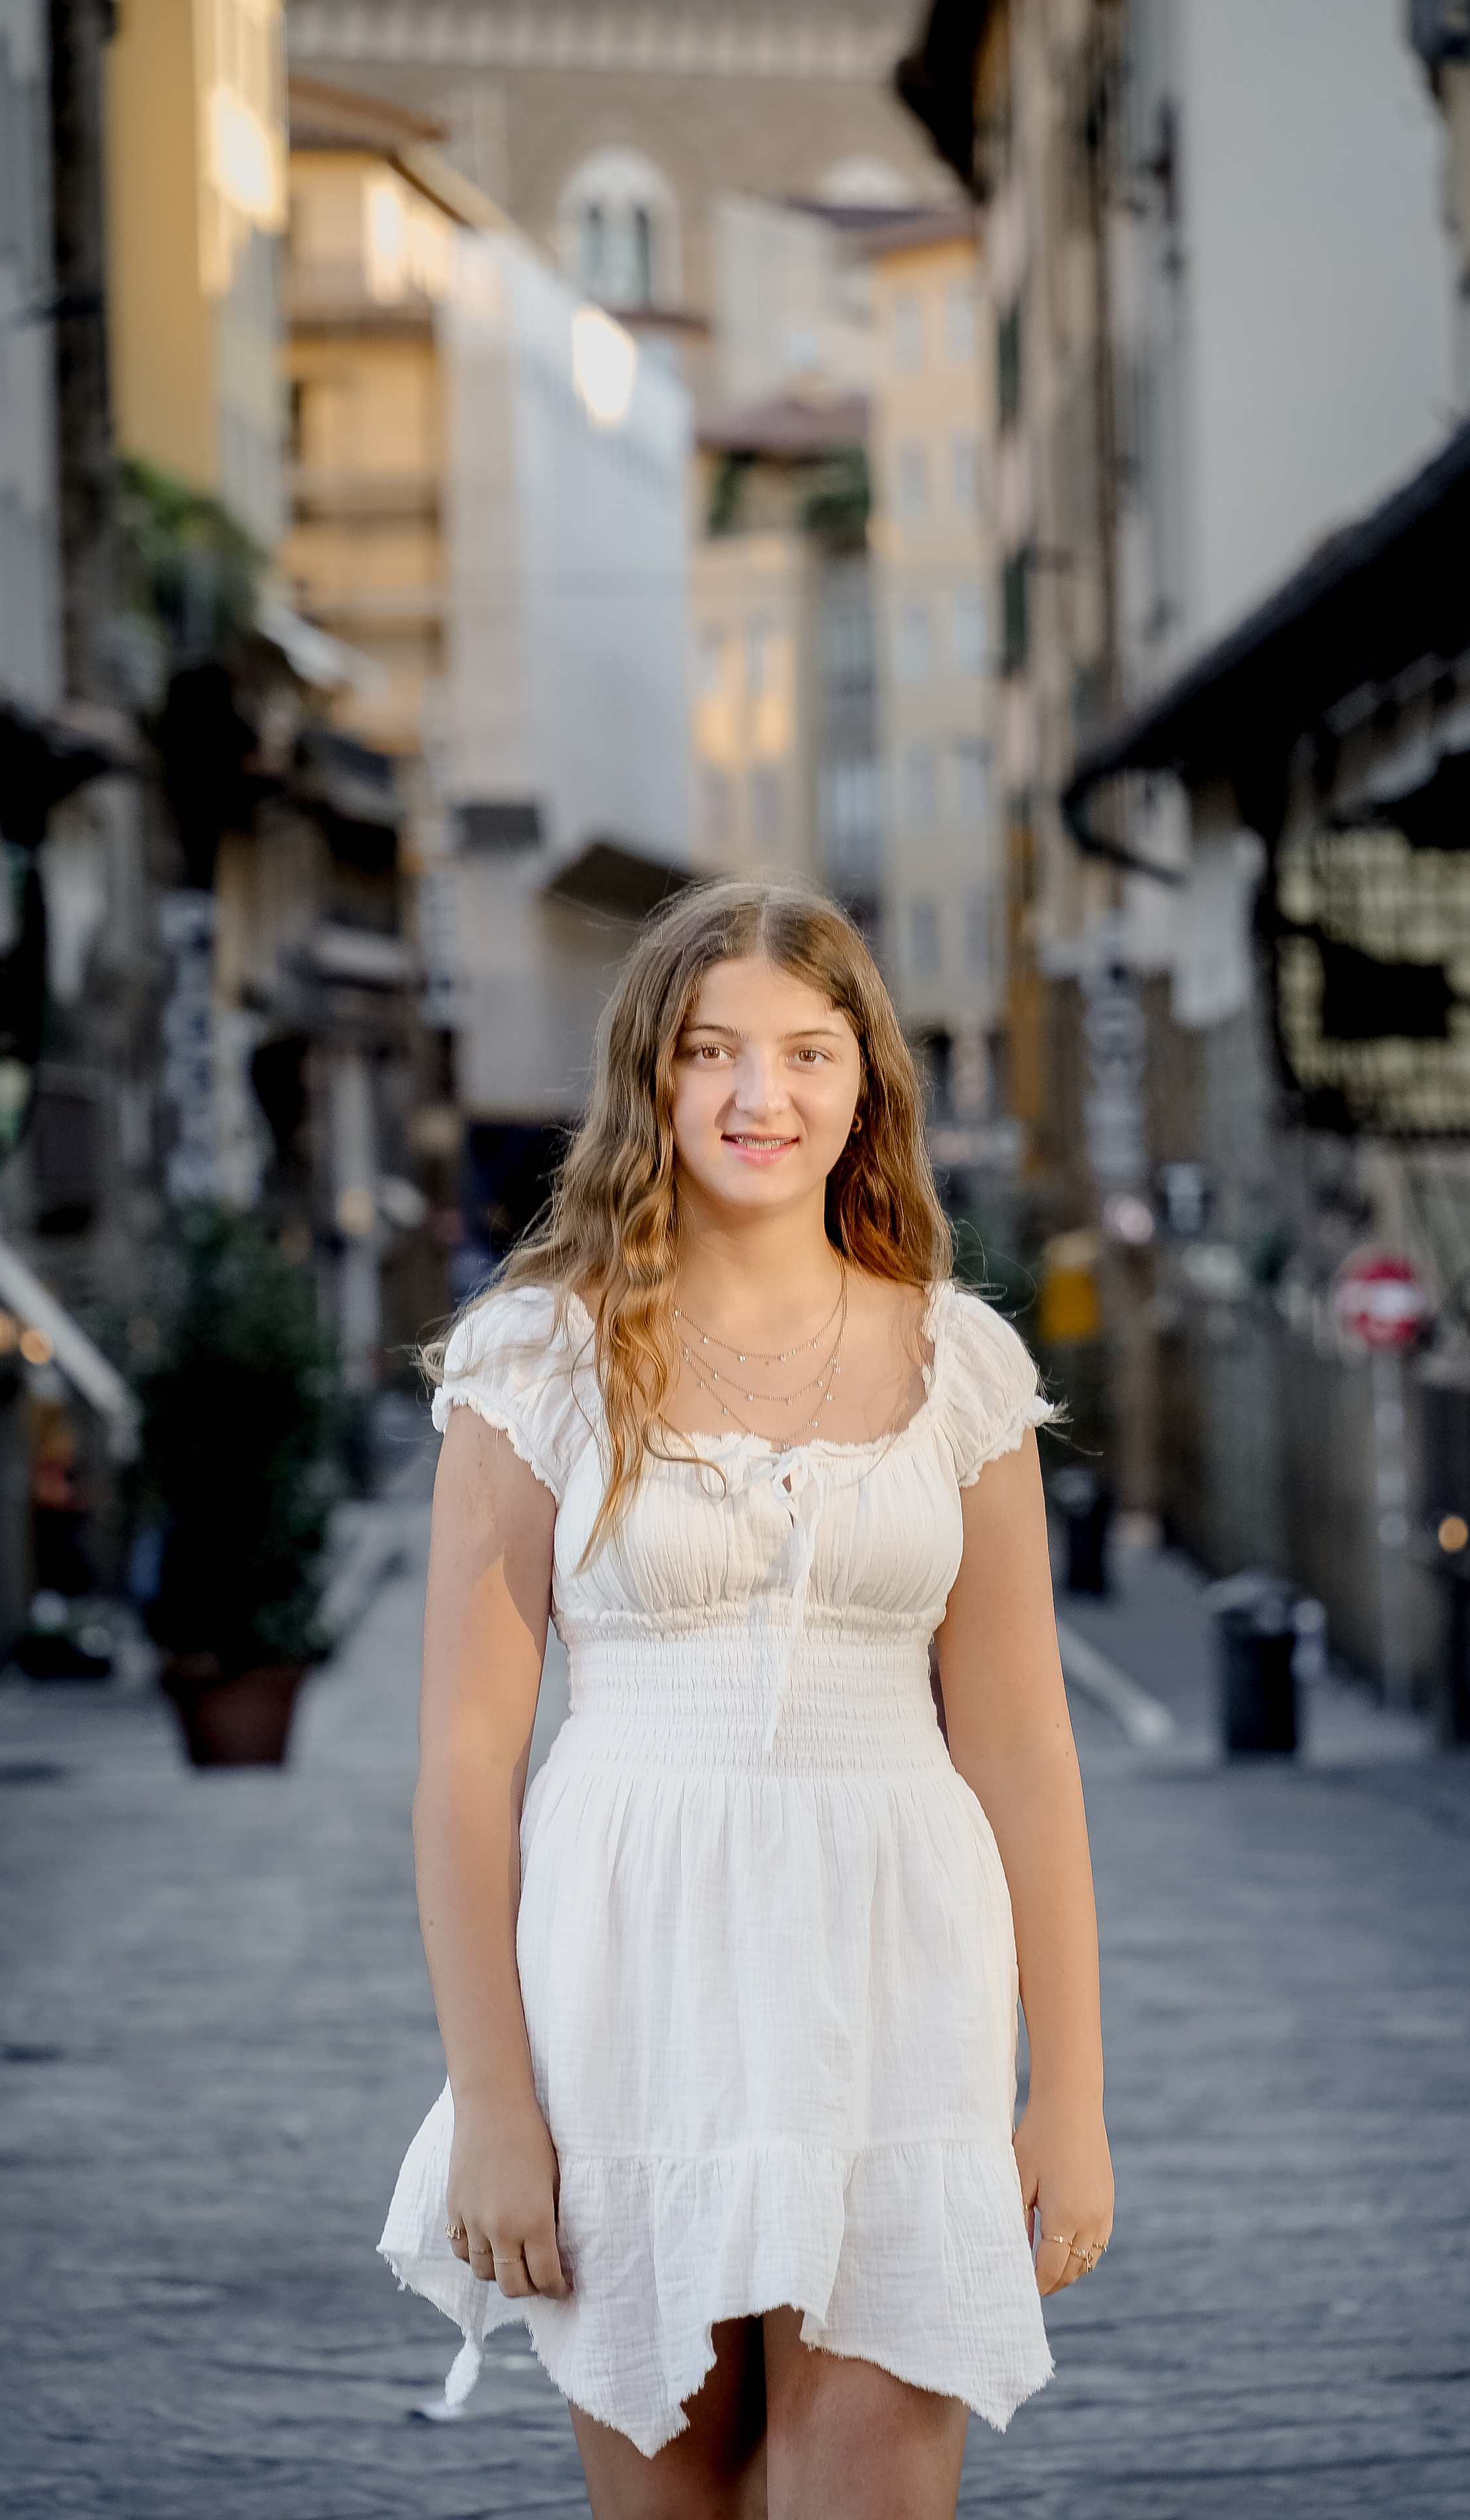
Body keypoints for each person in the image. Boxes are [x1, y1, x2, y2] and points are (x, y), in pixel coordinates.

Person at [381, 879, 1112, 2516]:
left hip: (896, 1986)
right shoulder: (533, 1362)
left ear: (866, 1088)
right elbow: (463, 1758)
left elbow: (1018, 1740)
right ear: (649, 1078)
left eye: (804, 1052)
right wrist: (494, 2106)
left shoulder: (959, 1363)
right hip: (623, 1993)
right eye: (709, 1052)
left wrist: (1062, 2089)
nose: (756, 1096)